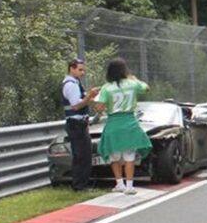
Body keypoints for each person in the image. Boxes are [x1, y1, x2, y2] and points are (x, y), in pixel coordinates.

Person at [94, 58, 151, 195]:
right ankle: (130, 186)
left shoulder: (106, 87)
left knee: (114, 155)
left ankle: (119, 183)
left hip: (113, 123)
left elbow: (99, 107)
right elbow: (146, 88)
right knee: (129, 155)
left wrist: (104, 108)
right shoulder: (132, 84)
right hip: (130, 122)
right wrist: (136, 80)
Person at [61, 58, 99, 191]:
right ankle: (79, 186)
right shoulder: (70, 84)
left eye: (83, 70)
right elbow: (76, 105)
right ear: (72, 68)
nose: (82, 73)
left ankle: (83, 184)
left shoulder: (76, 83)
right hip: (76, 125)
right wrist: (89, 96)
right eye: (80, 69)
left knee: (85, 155)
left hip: (81, 124)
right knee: (80, 156)